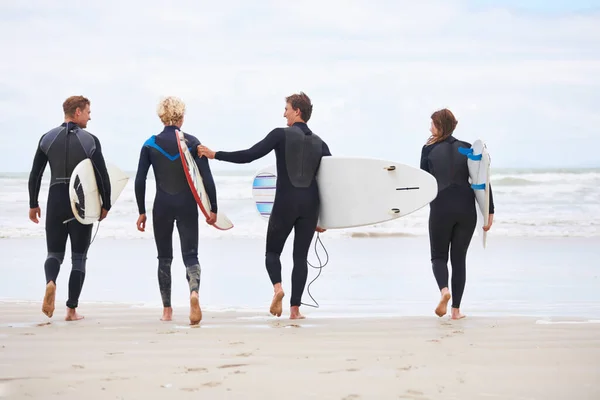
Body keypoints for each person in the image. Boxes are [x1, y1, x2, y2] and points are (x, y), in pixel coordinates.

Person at [197, 92, 331, 320]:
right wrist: (325, 218)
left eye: (287, 108)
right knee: (300, 257)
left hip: (285, 203)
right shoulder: (321, 143)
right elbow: (330, 181)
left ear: (297, 111)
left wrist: (214, 154)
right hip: (310, 206)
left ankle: (278, 289)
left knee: (272, 252)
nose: (284, 113)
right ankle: (295, 311)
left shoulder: (281, 135)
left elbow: (250, 155)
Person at [134, 96, 218, 325]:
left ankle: (167, 310)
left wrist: (141, 210)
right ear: (181, 117)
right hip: (187, 205)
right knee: (191, 255)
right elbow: (206, 178)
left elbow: (140, 179)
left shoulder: (150, 144)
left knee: (164, 258)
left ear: (162, 117)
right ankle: (194, 293)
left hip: (162, 205)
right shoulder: (192, 142)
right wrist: (213, 208)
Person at [28, 95, 112, 321]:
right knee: (79, 258)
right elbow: (102, 176)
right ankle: (71, 310)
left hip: (55, 199)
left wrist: (33, 203)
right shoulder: (89, 140)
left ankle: (51, 282)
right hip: (80, 202)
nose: (90, 116)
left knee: (54, 253)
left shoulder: (47, 139)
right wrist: (106, 204)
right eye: (87, 112)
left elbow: (35, 174)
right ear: (77, 112)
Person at [420, 108, 495, 320]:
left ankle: (444, 291)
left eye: (432, 124)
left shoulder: (428, 149)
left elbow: (424, 181)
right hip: (465, 207)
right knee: (459, 258)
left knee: (438, 256)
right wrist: (489, 211)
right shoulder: (467, 148)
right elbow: (482, 180)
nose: (429, 128)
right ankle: (456, 311)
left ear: (440, 126)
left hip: (441, 205)